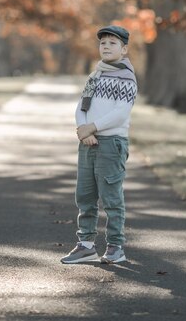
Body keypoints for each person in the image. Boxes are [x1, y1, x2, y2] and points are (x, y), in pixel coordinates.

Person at [61, 25, 137, 264]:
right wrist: (84, 132)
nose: (106, 46)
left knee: (111, 198)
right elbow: (81, 106)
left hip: (111, 142)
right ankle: (85, 245)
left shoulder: (126, 76)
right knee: (85, 195)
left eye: (112, 43)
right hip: (88, 142)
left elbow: (120, 113)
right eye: (103, 42)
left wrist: (92, 127)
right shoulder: (95, 75)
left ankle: (115, 247)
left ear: (124, 49)